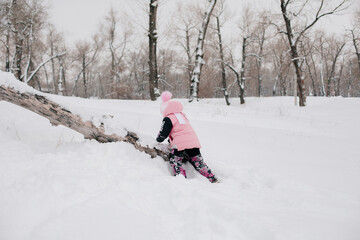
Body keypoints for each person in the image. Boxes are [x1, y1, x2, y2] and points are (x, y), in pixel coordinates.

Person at [156, 91, 218, 183]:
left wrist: (158, 139)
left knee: (175, 161)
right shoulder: (182, 115)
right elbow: (181, 131)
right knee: (198, 162)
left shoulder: (168, 118)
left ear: (164, 109)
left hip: (180, 145)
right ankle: (212, 178)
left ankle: (181, 180)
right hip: (193, 142)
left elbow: (163, 134)